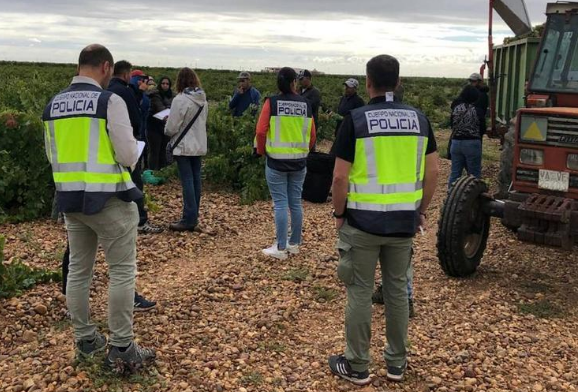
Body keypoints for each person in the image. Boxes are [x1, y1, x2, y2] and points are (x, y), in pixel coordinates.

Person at [42, 44, 155, 370]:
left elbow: (52, 155)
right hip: (109, 199)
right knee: (121, 271)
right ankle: (121, 347)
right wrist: (134, 150)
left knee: (79, 270)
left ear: (80, 66)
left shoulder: (53, 105)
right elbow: (127, 154)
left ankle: (86, 340)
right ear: (106, 67)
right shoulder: (110, 101)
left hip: (71, 199)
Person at [328, 54, 439, 385]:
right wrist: (421, 210)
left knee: (360, 291)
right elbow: (433, 171)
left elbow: (338, 179)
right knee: (396, 292)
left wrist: (338, 214)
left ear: (368, 82)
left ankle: (357, 365)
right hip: (403, 224)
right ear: (399, 81)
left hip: (362, 224)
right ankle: (396, 364)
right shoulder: (420, 120)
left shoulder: (356, 120)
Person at [255, 67, 317, 260]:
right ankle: (294, 244)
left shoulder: (271, 103)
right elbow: (313, 135)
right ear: (294, 83)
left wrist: (262, 151)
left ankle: (280, 248)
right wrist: (303, 150)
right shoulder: (306, 104)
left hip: (276, 162)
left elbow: (261, 131)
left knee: (280, 203)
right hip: (299, 161)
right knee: (295, 202)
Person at [108, 60, 163, 235]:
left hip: (109, 146)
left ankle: (117, 220)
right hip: (129, 142)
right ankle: (140, 221)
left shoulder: (106, 90)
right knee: (135, 181)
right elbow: (136, 118)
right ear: (126, 74)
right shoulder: (124, 92)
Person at [165, 68, 208, 232]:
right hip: (198, 145)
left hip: (183, 146)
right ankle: (193, 215)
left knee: (187, 181)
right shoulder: (203, 99)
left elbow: (171, 127)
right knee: (196, 180)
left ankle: (188, 219)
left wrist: (167, 126)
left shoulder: (180, 100)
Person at [448, 85, 485, 188]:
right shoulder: (477, 110)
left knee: (455, 173)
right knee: (474, 174)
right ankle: (474, 197)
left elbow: (452, 125)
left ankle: (450, 196)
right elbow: (483, 128)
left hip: (456, 143)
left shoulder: (456, 109)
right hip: (472, 143)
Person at [147, 76, 174, 171]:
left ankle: (162, 171)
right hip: (154, 126)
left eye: (167, 84)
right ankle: (153, 171)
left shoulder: (172, 95)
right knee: (155, 150)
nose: (165, 85)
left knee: (164, 150)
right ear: (160, 84)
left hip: (165, 126)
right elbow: (160, 108)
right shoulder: (155, 95)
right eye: (163, 83)